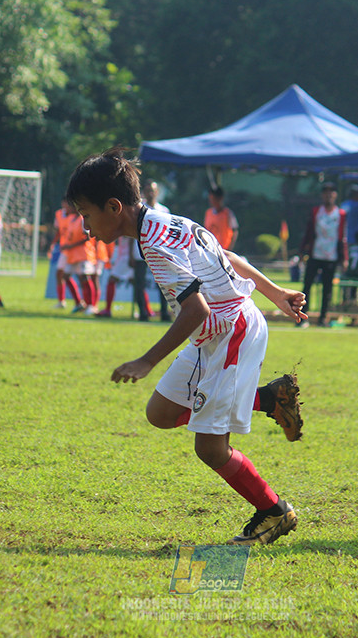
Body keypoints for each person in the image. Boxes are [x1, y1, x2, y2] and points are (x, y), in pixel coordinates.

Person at [66, 147, 306, 545]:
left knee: (210, 448)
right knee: (161, 413)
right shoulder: (167, 221)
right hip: (213, 333)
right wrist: (276, 292)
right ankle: (269, 398)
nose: (86, 227)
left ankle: (273, 510)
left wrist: (147, 361)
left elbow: (196, 308)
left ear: (113, 207)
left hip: (232, 332)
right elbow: (226, 257)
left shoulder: (154, 243)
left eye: (86, 214)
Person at [299, 181, 347, 327]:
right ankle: (302, 318)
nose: (328, 196)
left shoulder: (340, 214)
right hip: (315, 254)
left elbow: (342, 237)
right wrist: (302, 250)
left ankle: (323, 318)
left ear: (335, 195)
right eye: (326, 193)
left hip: (331, 257)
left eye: (331, 193)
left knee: (327, 290)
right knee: (307, 286)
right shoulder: (316, 212)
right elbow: (309, 232)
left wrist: (344, 257)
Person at [139, 179, 171, 321]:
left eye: (152, 190)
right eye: (147, 191)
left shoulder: (164, 211)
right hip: (141, 251)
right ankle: (143, 313)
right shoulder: (140, 209)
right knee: (140, 284)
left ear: (156, 192)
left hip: (159, 251)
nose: (150, 193)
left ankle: (164, 312)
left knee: (162, 283)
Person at [52, 200, 85, 310]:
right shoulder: (64, 216)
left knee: (83, 277)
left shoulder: (79, 219)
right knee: (62, 274)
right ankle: (68, 301)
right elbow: (61, 232)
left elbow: (86, 237)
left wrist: (70, 246)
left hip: (78, 252)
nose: (65, 207)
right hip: (67, 250)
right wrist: (54, 243)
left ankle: (88, 304)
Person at [204, 186, 239, 251]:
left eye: (214, 198)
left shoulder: (228, 213)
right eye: (210, 199)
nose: (211, 201)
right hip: (211, 250)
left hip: (224, 250)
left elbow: (235, 231)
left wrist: (229, 248)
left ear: (220, 198)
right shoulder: (208, 213)